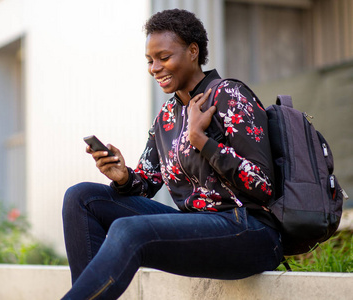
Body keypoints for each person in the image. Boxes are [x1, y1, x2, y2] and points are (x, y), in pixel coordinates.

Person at [62, 8, 282, 300]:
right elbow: (146, 185)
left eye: (164, 58)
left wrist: (201, 140)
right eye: (150, 60)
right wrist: (124, 176)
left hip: (249, 231)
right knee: (81, 198)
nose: (155, 67)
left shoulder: (230, 96)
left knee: (130, 230)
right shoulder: (167, 116)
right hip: (198, 229)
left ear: (193, 51)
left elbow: (262, 185)